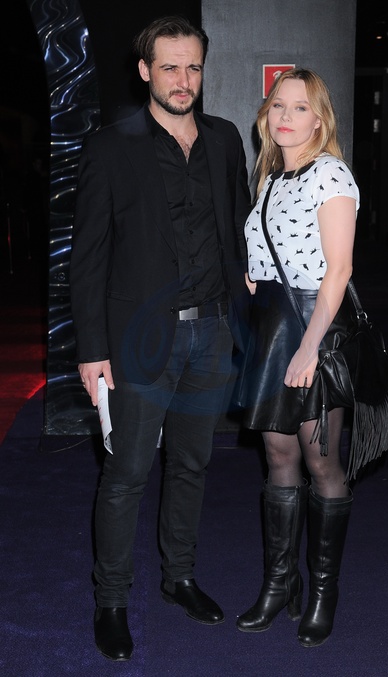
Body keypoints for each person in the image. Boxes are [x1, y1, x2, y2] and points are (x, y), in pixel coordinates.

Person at [70, 15, 250, 662]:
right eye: (170, 67)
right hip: (138, 340)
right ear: (145, 70)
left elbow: (238, 225)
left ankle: (179, 577)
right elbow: (88, 256)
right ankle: (112, 599)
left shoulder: (225, 139)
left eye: (193, 67)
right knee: (127, 472)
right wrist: (92, 348)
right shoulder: (110, 147)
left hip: (212, 332)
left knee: (193, 464)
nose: (183, 80)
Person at [235, 68, 360, 647]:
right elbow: (268, 252)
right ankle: (279, 584)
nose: (286, 116)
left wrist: (310, 347)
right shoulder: (268, 177)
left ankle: (323, 591)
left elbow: (339, 270)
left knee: (320, 462)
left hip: (316, 329)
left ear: (319, 119)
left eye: (300, 107)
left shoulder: (330, 173)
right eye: (278, 105)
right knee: (277, 456)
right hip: (272, 329)